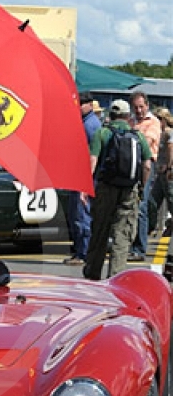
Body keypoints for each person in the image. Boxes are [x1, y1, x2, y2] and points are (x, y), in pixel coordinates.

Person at [83, 99, 152, 281]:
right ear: (127, 116)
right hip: (129, 190)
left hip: (106, 188)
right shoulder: (138, 137)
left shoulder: (102, 133)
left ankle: (92, 274)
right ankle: (116, 277)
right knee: (123, 235)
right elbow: (146, 165)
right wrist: (142, 187)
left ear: (111, 115)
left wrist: (86, 187)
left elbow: (93, 160)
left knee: (99, 231)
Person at [64, 92, 101, 266]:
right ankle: (79, 250)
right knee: (76, 215)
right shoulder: (86, 123)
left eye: (80, 104)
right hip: (80, 174)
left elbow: (92, 155)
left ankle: (83, 253)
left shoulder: (91, 125)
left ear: (89, 104)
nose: (77, 107)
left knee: (81, 216)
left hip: (85, 176)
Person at [127, 91, 161, 261]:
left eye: (141, 107)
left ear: (147, 105)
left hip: (146, 164)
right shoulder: (130, 121)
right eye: (135, 107)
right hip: (130, 164)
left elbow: (146, 143)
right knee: (129, 205)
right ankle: (130, 245)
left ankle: (140, 249)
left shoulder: (153, 122)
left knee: (141, 205)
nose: (139, 110)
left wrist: (129, 139)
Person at [148, 107, 173, 236]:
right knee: (153, 200)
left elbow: (171, 149)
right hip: (160, 173)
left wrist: (169, 166)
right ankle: (149, 227)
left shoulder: (169, 133)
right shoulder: (160, 133)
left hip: (168, 173)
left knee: (171, 200)